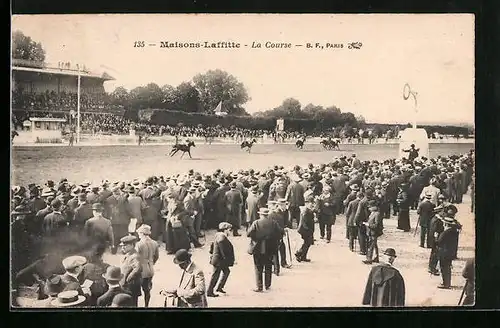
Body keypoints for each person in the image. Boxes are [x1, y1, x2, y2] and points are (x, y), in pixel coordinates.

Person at [247, 207, 283, 292]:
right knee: (268, 266)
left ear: (260, 214)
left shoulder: (256, 223)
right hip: (270, 248)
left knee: (258, 267)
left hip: (258, 248)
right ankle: (267, 285)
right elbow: (280, 232)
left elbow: (249, 233)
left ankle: (259, 286)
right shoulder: (273, 223)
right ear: (267, 215)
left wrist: (255, 237)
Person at [207, 222, 235, 297]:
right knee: (215, 276)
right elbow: (224, 252)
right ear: (225, 230)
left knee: (226, 272)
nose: (230, 231)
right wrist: (229, 261)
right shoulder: (222, 238)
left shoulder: (218, 235)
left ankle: (219, 288)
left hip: (218, 259)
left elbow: (211, 247)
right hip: (219, 261)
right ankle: (210, 291)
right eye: (229, 230)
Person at [135, 224, 159, 307]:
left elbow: (136, 257)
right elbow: (156, 256)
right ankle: (146, 305)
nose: (138, 235)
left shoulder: (139, 244)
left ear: (142, 233)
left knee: (136, 290)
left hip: (141, 270)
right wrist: (151, 263)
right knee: (147, 290)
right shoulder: (155, 243)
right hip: (150, 269)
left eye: (139, 233)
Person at [436, 206, 460, 289]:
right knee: (448, 268)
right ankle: (447, 283)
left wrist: (436, 237)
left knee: (444, 268)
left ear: (446, 224)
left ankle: (445, 283)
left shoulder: (445, 233)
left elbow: (439, 242)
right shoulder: (454, 231)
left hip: (444, 252)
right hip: (450, 252)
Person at [119, 235, 142, 306]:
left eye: (125, 245)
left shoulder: (135, 256)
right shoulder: (128, 254)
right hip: (127, 285)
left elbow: (138, 268)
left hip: (131, 286)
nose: (123, 247)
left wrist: (128, 279)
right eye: (122, 246)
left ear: (132, 245)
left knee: (132, 304)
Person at [295, 196, 315, 262]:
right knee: (307, 243)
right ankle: (299, 253)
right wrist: (308, 230)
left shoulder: (308, 210)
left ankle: (303, 256)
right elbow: (304, 222)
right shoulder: (306, 211)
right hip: (305, 230)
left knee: (307, 243)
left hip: (306, 229)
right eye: (310, 203)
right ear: (307, 203)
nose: (311, 204)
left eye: (312, 203)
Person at [362, 200, 383, 264]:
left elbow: (376, 225)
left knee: (371, 245)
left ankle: (369, 259)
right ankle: (376, 257)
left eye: (370, 207)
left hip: (374, 232)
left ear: (375, 207)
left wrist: (368, 225)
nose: (369, 208)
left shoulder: (377, 214)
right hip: (370, 232)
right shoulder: (372, 213)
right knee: (374, 245)